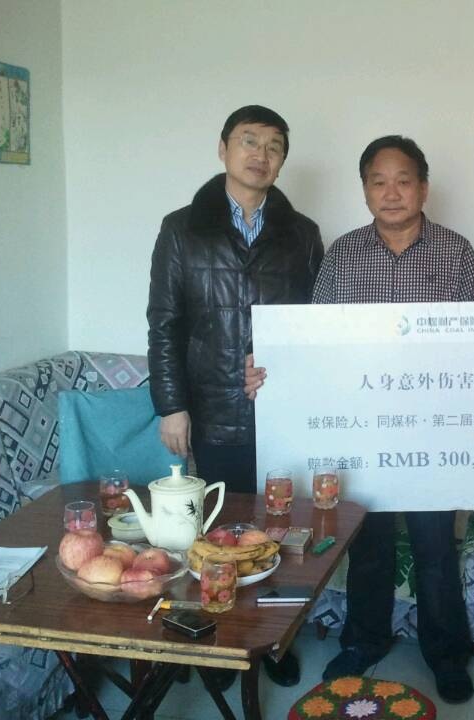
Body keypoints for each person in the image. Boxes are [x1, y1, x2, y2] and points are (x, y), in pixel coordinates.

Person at [245, 135, 474, 704]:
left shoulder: (456, 253)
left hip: (430, 432)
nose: (391, 192)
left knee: (433, 547)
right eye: (379, 181)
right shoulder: (343, 255)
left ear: (424, 188)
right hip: (362, 429)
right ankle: (364, 639)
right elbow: (316, 343)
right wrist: (272, 373)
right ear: (365, 190)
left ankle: (446, 653)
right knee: (367, 543)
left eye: (403, 180)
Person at [146, 104, 323, 687]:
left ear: (282, 160)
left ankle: (272, 642)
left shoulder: (302, 233)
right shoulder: (181, 228)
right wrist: (171, 405)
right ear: (223, 148)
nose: (260, 155)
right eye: (249, 141)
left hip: (281, 409)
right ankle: (220, 641)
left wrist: (291, 371)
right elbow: (164, 322)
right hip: (213, 407)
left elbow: (314, 325)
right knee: (218, 534)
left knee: (280, 532)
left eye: (274, 146)